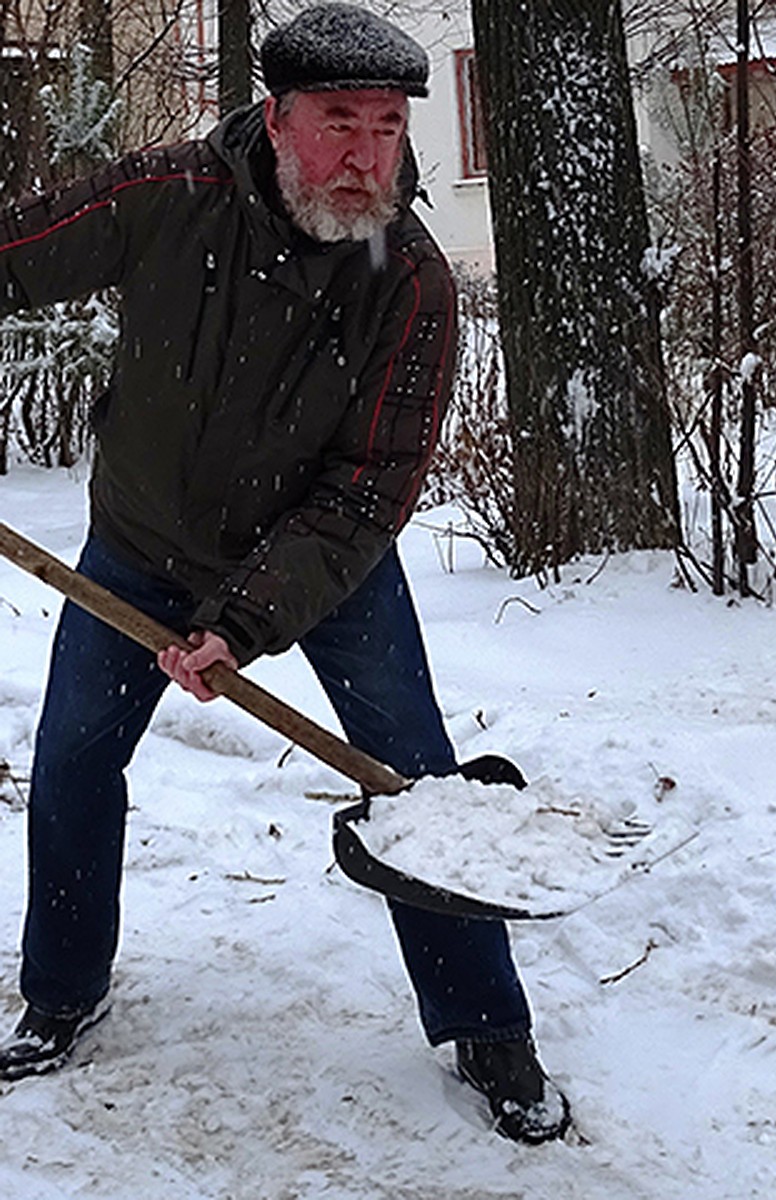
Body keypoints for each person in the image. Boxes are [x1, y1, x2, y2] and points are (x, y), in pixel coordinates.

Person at [0, 3, 570, 1145]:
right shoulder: (170, 199)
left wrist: (246, 621)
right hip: (142, 544)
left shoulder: (408, 278)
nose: (367, 157)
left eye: (388, 128)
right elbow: (14, 254)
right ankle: (62, 991)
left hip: (321, 565)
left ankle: (483, 1023)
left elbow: (369, 488)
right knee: (70, 764)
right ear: (276, 119)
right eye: (338, 124)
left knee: (419, 791)